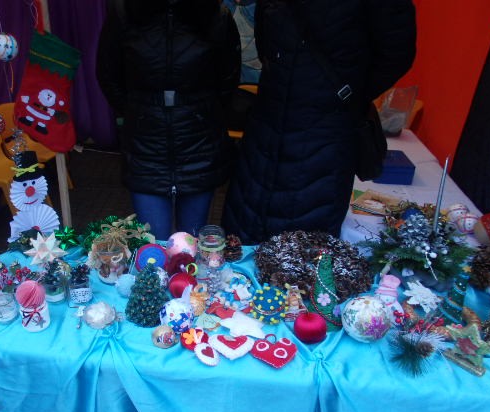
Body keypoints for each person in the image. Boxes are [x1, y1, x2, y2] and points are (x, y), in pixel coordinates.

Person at [221, 0, 417, 244]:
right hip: (268, 123)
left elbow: (396, 54)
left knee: (305, 244)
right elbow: (266, 40)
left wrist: (342, 94)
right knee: (245, 232)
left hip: (326, 130)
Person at [96, 0, 241, 240]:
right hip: (146, 145)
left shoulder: (216, 15)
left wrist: (200, 113)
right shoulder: (125, 12)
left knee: (191, 246)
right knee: (152, 247)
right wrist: (139, 112)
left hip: (198, 143)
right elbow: (108, 75)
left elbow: (228, 79)